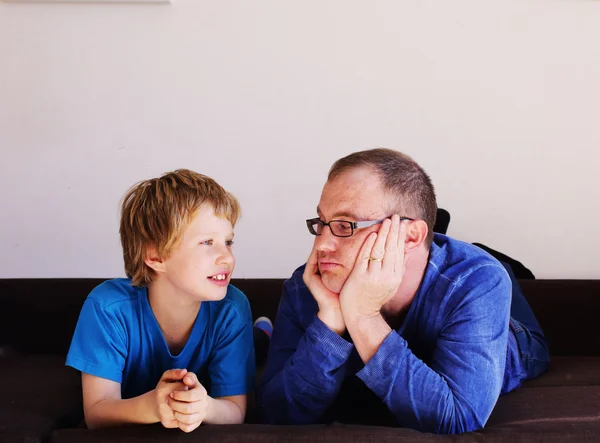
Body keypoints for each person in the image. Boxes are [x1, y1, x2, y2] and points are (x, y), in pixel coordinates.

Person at [257, 148, 549, 434]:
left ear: (409, 236)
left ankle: (473, 253)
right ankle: (433, 243)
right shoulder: (308, 285)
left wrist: (363, 317)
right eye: (322, 223)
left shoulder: (478, 281)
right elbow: (275, 412)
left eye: (345, 225)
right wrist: (330, 322)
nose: (321, 245)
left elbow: (459, 418)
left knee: (505, 289)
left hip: (511, 334)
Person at [66, 169, 255, 432]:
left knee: (260, 346)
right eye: (207, 242)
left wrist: (206, 407)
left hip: (237, 331)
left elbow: (234, 410)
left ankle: (262, 335)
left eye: (228, 241)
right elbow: (97, 412)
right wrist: (154, 406)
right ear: (155, 256)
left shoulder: (232, 308)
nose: (227, 257)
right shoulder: (107, 308)